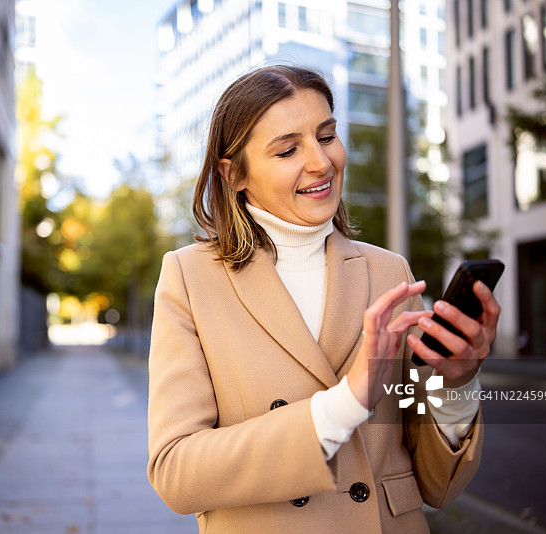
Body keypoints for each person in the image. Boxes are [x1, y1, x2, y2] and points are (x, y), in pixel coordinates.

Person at [147, 65, 500, 533]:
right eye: (288, 149)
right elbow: (175, 473)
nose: (321, 162)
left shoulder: (389, 273)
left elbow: (439, 486)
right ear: (233, 175)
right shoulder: (190, 277)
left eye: (327, 136)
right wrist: (345, 403)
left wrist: (456, 385)